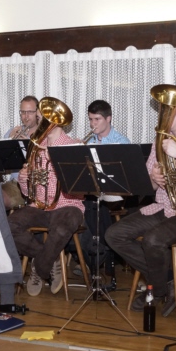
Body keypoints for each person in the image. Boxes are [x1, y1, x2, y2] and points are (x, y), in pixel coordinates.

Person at [105, 94, 176, 318]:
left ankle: (157, 289)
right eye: (162, 110)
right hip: (165, 207)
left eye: (171, 109)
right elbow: (148, 185)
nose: (163, 115)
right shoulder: (161, 138)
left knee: (153, 240)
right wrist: (154, 178)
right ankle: (169, 281)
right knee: (114, 234)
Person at [8, 99, 85, 296]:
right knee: (9, 225)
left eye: (43, 116)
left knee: (62, 227)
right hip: (39, 206)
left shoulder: (73, 146)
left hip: (67, 204)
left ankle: (39, 267)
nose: (40, 118)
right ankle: (50, 258)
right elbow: (28, 193)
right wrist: (24, 178)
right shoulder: (36, 147)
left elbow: (80, 190)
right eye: (41, 115)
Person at [76, 100, 131, 279]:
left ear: (108, 119)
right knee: (80, 205)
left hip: (115, 194)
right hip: (93, 193)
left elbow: (126, 178)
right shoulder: (89, 141)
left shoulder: (121, 142)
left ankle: (95, 258)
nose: (93, 124)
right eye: (90, 119)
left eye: (97, 119)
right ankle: (96, 255)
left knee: (92, 205)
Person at [1, 96, 39, 211]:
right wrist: (9, 140)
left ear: (37, 113)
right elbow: (0, 159)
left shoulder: (44, 134)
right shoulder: (13, 132)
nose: (26, 116)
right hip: (15, 183)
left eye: (30, 112)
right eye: (23, 112)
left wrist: (28, 144)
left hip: (35, 186)